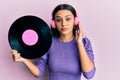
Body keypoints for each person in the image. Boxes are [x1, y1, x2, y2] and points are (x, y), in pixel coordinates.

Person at [11, 4, 96, 80]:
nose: (63, 24)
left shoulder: (84, 43)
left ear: (75, 21)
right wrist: (23, 59)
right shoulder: (49, 43)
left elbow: (89, 75)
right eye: (59, 20)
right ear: (54, 23)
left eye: (68, 19)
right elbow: (38, 73)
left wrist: (79, 44)